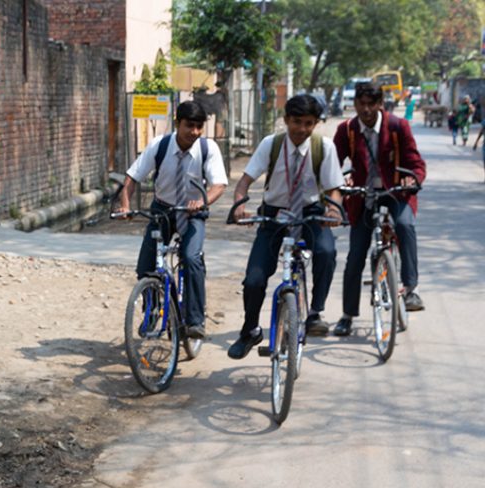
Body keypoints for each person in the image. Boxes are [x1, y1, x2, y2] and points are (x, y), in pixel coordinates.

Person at [227, 94, 344, 359]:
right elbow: (244, 182)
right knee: (254, 279)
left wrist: (334, 209)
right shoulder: (272, 144)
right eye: (297, 122)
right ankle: (250, 331)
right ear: (286, 120)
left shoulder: (323, 147)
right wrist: (238, 204)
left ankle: (315, 312)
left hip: (310, 213)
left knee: (326, 252)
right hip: (274, 215)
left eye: (309, 123)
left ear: (316, 123)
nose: (302, 129)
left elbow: (334, 189)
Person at [117, 100, 228, 339]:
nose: (195, 132)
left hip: (193, 212)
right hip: (163, 210)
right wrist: (125, 205)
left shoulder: (208, 149)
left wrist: (202, 201)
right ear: (178, 123)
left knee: (190, 258)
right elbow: (132, 176)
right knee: (146, 266)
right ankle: (153, 311)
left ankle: (195, 321)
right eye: (190, 125)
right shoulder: (160, 145)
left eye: (199, 126)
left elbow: (219, 185)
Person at [332, 82, 427, 337]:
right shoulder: (347, 130)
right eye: (361, 104)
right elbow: (332, 165)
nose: (365, 109)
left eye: (370, 104)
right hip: (363, 196)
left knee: (405, 226)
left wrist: (412, 179)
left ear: (379, 104)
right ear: (355, 104)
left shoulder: (398, 127)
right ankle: (347, 315)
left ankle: (410, 289)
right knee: (355, 257)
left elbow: (416, 163)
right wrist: (341, 182)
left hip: (396, 193)